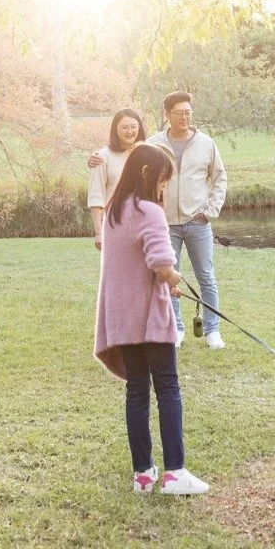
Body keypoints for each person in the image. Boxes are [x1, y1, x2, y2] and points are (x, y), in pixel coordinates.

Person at [94, 142, 209, 496]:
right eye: (162, 180)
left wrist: (165, 281)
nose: (163, 188)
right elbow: (161, 264)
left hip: (122, 316)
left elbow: (135, 262)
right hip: (148, 317)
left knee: (137, 392)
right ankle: (175, 473)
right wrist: (176, 280)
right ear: (148, 174)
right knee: (168, 389)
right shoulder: (149, 210)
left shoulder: (115, 210)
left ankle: (143, 475)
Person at [149, 91, 228, 350]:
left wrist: (211, 210)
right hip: (166, 224)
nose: (185, 117)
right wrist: (98, 158)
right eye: (179, 112)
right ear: (167, 115)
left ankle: (212, 331)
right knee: (168, 277)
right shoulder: (154, 144)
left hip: (198, 222)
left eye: (188, 112)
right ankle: (176, 330)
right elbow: (128, 160)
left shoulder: (206, 143)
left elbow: (219, 179)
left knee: (206, 276)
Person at [86, 108, 147, 249]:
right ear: (115, 129)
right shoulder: (102, 157)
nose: (130, 131)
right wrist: (98, 232)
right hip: (115, 222)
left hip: (143, 222)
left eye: (133, 127)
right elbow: (96, 194)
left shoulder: (146, 153)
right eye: (124, 127)